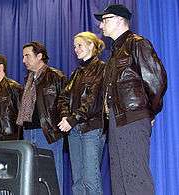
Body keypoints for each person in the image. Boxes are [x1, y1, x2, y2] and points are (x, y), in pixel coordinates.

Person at [94, 4, 167, 195]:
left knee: (136, 178)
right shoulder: (114, 53)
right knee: (119, 180)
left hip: (133, 120)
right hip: (117, 123)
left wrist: (148, 112)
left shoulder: (137, 43)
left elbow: (156, 81)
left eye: (105, 20)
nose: (101, 26)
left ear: (119, 20)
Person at [57, 32, 106, 195]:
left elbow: (94, 101)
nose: (76, 49)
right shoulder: (76, 73)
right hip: (74, 131)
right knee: (77, 180)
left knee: (91, 178)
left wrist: (72, 119)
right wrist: (65, 115)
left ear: (91, 45)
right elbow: (63, 97)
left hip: (92, 129)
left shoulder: (102, 69)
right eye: (74, 46)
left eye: (79, 45)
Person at [16, 41, 67, 194]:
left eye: (27, 56)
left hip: (47, 132)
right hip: (28, 132)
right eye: (23, 56)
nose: (24, 60)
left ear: (39, 56)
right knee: (32, 177)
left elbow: (65, 103)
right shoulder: (29, 79)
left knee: (51, 175)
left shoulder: (56, 76)